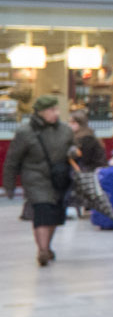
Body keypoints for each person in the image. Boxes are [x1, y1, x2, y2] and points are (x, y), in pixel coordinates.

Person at [4, 96, 75, 266]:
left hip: (58, 178)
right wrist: (10, 185)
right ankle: (42, 250)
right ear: (41, 112)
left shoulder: (65, 130)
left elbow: (73, 146)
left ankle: (47, 246)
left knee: (55, 214)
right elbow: (12, 160)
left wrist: (73, 151)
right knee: (43, 211)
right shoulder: (25, 132)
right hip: (35, 178)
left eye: (57, 109)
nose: (56, 113)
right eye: (52, 110)